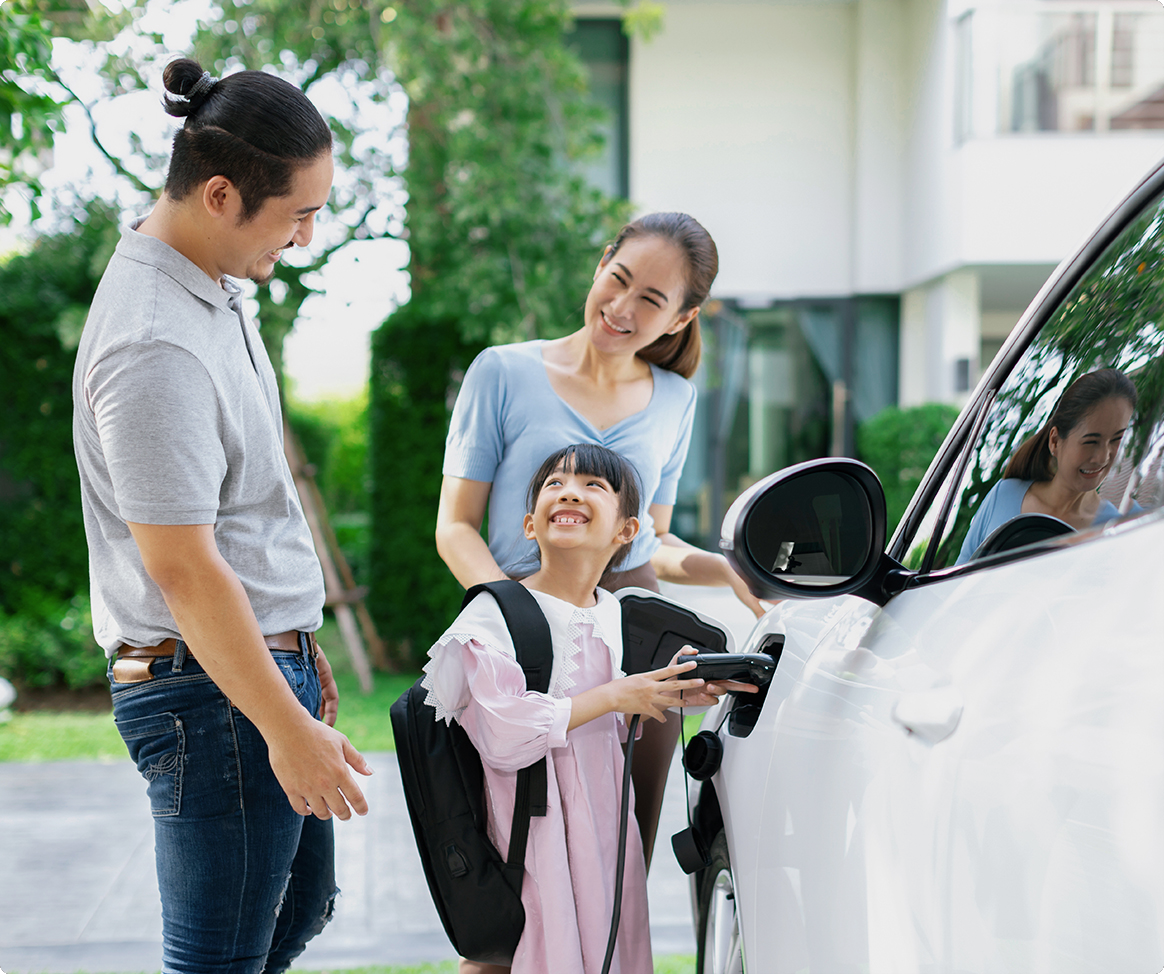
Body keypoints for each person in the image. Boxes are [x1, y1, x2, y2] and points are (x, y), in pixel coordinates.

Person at [72, 57, 371, 972]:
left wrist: (294, 656)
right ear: (219, 195)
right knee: (218, 961)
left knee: (295, 914)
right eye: (298, 215)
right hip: (208, 695)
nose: (307, 237)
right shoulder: (155, 340)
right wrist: (286, 727)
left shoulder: (212, 289)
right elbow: (184, 568)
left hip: (250, 669)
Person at [436, 212, 763, 880]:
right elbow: (456, 526)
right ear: (601, 264)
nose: (621, 308)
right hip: (522, 636)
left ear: (680, 319)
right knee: (502, 879)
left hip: (635, 642)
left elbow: (654, 540)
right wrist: (515, 619)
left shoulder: (675, 398)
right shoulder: (502, 372)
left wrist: (728, 569)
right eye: (618, 280)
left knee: (617, 875)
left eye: (651, 300)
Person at [424, 444, 731, 974]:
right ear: (529, 525)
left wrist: (669, 692)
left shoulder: (610, 611)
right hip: (535, 826)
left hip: (603, 820)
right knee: (532, 947)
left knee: (602, 943)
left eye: (594, 485)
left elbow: (609, 715)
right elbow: (504, 735)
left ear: (626, 532)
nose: (570, 490)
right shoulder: (494, 613)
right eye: (554, 484)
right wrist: (616, 695)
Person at [956, 368, 1138, 564]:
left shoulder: (1119, 530)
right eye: (1091, 441)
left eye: (1116, 439)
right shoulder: (1003, 495)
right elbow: (954, 582)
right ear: (1055, 441)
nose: (1103, 457)